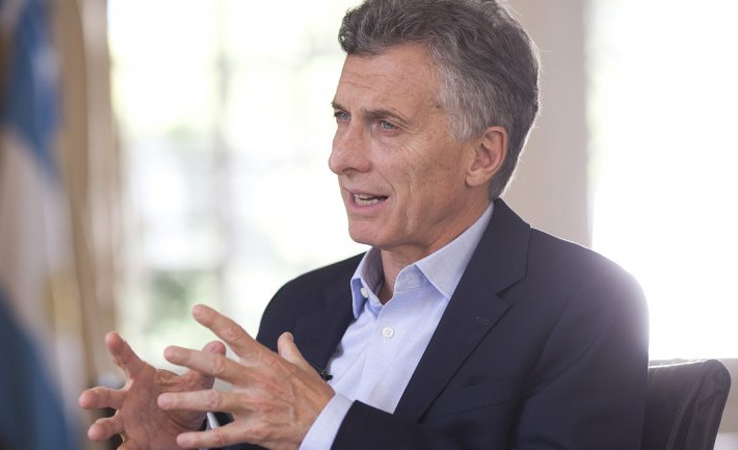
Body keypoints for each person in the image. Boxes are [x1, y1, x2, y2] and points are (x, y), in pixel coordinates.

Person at [79, 0, 648, 449]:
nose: (341, 157)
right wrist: (189, 437)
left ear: (482, 155)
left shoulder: (586, 302)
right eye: (342, 117)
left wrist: (325, 425)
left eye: (385, 125)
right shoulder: (298, 306)